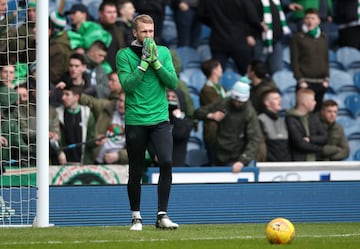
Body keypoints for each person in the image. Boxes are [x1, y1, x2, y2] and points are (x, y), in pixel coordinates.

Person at [116, 14, 179, 230]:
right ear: (135, 33)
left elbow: (172, 82)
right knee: (136, 169)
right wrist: (143, 65)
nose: (148, 35)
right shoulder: (123, 55)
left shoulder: (163, 52)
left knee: (167, 162)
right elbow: (128, 86)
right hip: (136, 119)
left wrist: (156, 63)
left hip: (160, 118)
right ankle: (136, 217)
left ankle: (162, 215)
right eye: (144, 31)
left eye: (151, 31)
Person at [194, 81, 261, 171]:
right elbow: (198, 112)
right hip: (219, 155)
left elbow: (254, 139)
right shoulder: (224, 104)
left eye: (240, 102)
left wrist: (242, 161)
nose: (236, 103)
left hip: (238, 158)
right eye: (235, 100)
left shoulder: (250, 113)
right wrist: (212, 115)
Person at [197, 0, 264, 75]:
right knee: (246, 74)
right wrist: (259, 28)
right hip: (240, 41)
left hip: (218, 40)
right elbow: (252, 18)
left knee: (217, 74)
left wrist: (214, 24)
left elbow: (200, 14)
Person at [290, 8, 329, 112]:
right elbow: (294, 61)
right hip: (305, 82)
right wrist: (300, 80)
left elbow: (326, 59)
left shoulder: (323, 38)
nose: (310, 21)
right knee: (303, 113)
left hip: (321, 82)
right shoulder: (298, 38)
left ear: (318, 21)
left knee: (317, 114)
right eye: (307, 18)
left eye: (313, 18)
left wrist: (327, 78)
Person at [252, 0, 302, 74]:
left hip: (276, 39)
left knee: (277, 71)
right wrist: (258, 23)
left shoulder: (275, 1)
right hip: (261, 40)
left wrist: (288, 7)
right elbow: (249, 15)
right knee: (258, 70)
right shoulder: (254, 2)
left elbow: (279, 9)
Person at [80, 90, 128, 165]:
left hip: (119, 165)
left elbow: (139, 151)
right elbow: (89, 101)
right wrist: (72, 91)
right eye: (120, 100)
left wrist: (119, 156)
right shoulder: (107, 106)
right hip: (96, 160)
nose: (121, 104)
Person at [55, 85, 96, 165]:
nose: (63, 97)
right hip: (62, 164)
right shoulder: (57, 113)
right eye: (63, 94)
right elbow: (55, 139)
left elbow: (90, 139)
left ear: (76, 97)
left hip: (82, 164)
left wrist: (96, 142)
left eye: (67, 94)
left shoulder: (87, 114)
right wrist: (59, 152)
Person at [285, 88, 327, 161]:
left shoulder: (313, 117)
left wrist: (310, 139)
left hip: (316, 160)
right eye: (313, 100)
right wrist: (322, 149)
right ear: (305, 103)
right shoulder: (290, 119)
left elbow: (324, 137)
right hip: (298, 162)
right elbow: (299, 144)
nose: (315, 102)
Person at [199, 59, 226, 165]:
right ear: (214, 70)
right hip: (213, 132)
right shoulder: (207, 90)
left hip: (223, 131)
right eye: (219, 67)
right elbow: (218, 105)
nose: (221, 69)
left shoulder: (221, 88)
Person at [258, 89, 291, 161]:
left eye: (279, 98)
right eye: (276, 99)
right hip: (269, 165)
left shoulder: (283, 120)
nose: (280, 100)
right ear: (267, 103)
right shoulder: (260, 120)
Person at [167, 89, 193, 166]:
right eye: (168, 96)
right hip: (159, 163)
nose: (170, 99)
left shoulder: (186, 121)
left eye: (173, 97)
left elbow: (179, 135)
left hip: (177, 163)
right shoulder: (160, 119)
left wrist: (178, 117)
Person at [98, 1, 127, 72]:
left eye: (114, 12)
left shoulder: (120, 31)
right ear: (100, 14)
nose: (113, 15)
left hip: (118, 73)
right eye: (109, 12)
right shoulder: (95, 30)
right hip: (101, 72)